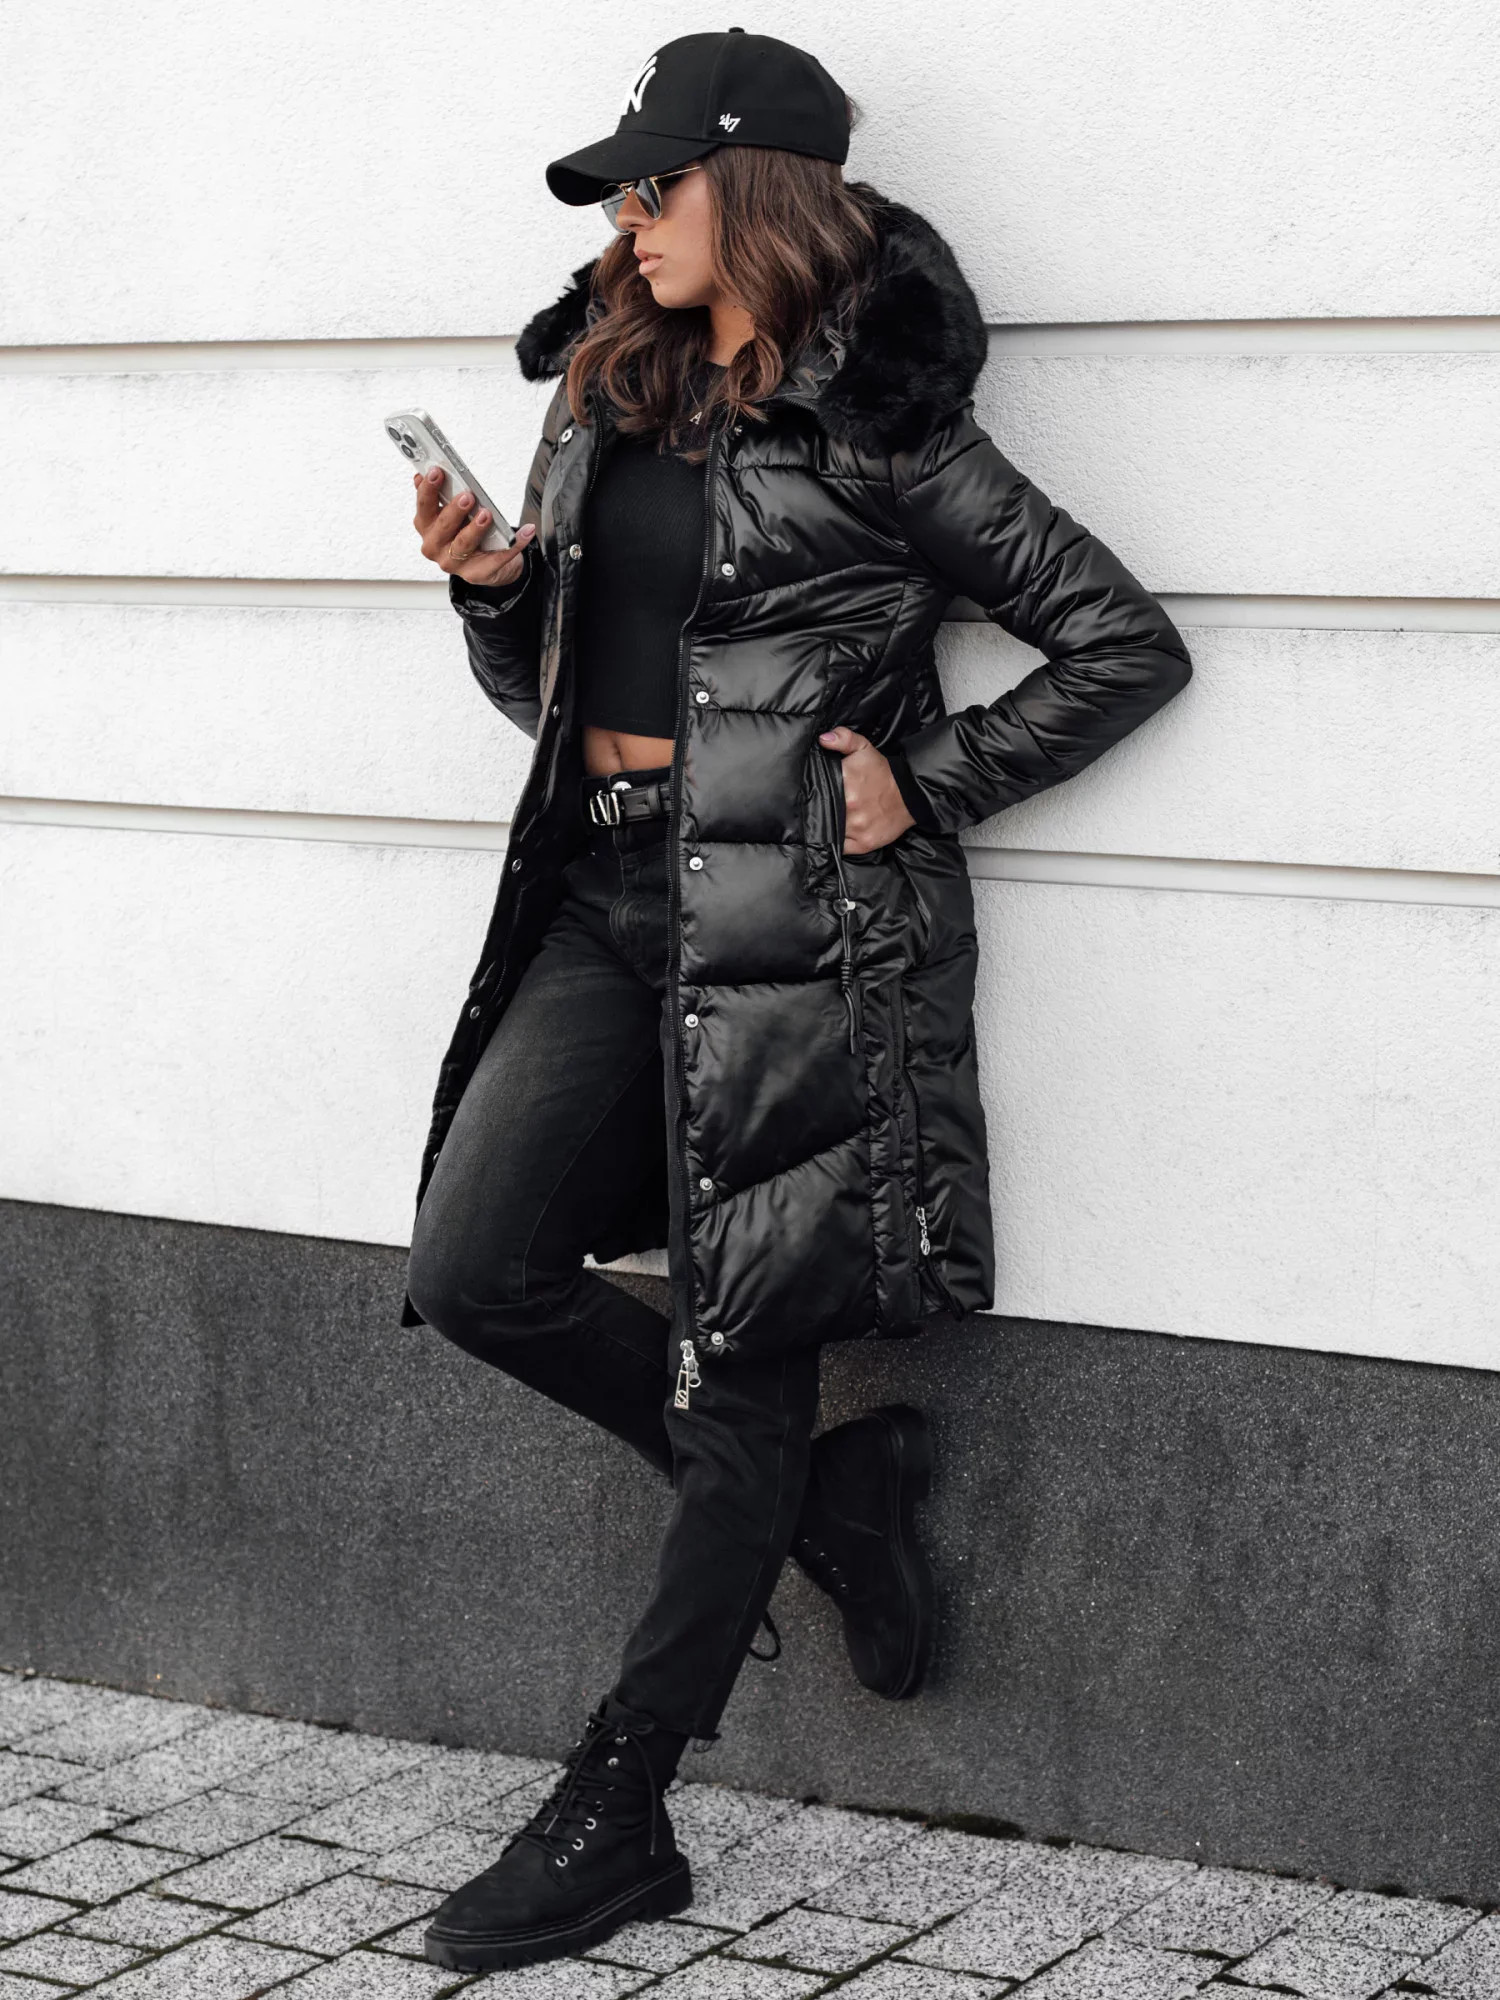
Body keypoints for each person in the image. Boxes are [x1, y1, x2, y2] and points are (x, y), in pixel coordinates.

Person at [400, 27, 1193, 1975]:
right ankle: (822, 1503)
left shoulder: (882, 426)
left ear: (753, 190)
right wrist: (495, 590)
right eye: (620, 191)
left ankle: (621, 1808)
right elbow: (550, 690)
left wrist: (930, 778)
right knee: (475, 1265)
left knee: (737, 1349)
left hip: (799, 941)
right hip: (602, 899)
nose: (626, 218)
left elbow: (1119, 637)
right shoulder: (608, 390)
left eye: (655, 184)